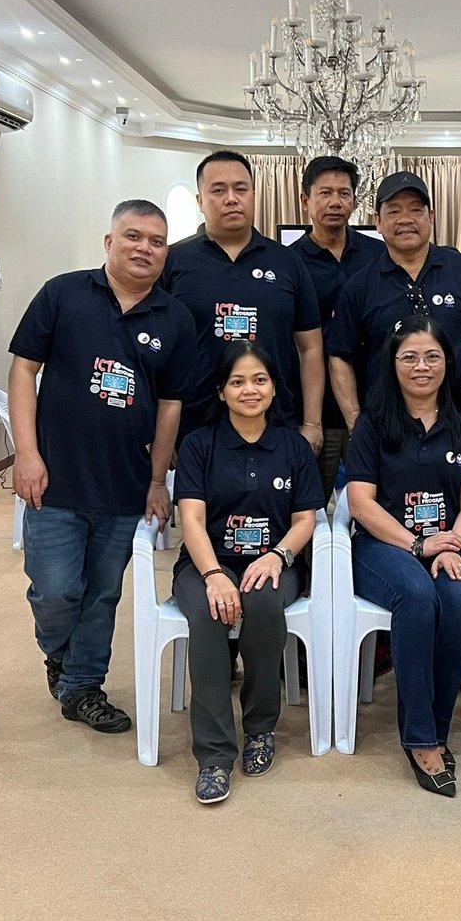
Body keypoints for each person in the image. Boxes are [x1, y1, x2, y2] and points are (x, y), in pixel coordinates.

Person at [7, 200, 197, 734]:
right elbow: (23, 369)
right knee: (55, 591)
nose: (144, 248)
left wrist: (157, 481)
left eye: (157, 241)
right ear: (109, 242)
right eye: (133, 236)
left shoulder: (175, 318)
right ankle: (60, 655)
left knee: (102, 593)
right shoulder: (63, 293)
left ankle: (82, 687)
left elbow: (170, 405)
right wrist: (26, 452)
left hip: (124, 484)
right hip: (54, 480)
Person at [173, 342, 323, 805]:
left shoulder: (294, 447)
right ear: (221, 391)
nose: (250, 390)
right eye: (237, 382)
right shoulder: (199, 445)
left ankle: (260, 728)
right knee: (208, 613)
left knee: (262, 605)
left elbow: (305, 520)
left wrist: (278, 556)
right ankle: (215, 754)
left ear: (274, 387)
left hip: (273, 562)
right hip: (206, 562)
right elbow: (191, 520)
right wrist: (214, 574)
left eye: (259, 380)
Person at [343, 315, 461, 797]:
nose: (421, 366)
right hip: (383, 547)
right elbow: (360, 503)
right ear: (392, 363)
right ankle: (421, 739)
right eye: (409, 357)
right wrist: (418, 544)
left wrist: (454, 541)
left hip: (448, 545)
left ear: (448, 363)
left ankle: (436, 726)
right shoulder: (371, 424)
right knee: (417, 594)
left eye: (432, 356)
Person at [328, 171, 461, 460]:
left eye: (415, 210)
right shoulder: (359, 285)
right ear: (378, 221)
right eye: (394, 211)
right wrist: (356, 425)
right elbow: (339, 357)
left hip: (459, 425)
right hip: (385, 432)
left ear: (431, 217)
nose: (405, 219)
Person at [159, 150, 325, 450]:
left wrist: (312, 423)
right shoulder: (172, 261)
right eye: (218, 190)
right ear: (200, 200)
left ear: (254, 194)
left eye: (241, 189)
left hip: (277, 425)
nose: (231, 199)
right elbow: (158, 353)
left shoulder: (288, 262)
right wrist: (163, 434)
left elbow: (310, 347)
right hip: (195, 430)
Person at [289, 155, 384, 499]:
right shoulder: (289, 262)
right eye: (325, 193)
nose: (335, 202)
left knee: (376, 505)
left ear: (355, 201)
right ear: (305, 199)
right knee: (309, 505)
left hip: (375, 407)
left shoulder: (379, 255)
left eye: (344, 194)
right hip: (315, 410)